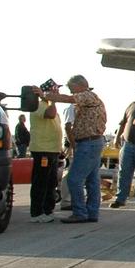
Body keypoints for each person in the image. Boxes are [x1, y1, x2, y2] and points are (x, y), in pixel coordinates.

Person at [36, 75, 107, 225]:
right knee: (92, 180)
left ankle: (80, 212)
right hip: (94, 142)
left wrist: (46, 95)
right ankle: (92, 212)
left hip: (88, 143)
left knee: (74, 179)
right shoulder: (92, 98)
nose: (71, 92)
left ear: (80, 85)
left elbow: (69, 99)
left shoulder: (86, 96)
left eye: (72, 88)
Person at [28, 95, 62, 222]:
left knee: (51, 181)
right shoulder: (37, 105)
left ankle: (48, 210)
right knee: (41, 181)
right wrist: (53, 101)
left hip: (52, 149)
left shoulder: (50, 105)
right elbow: (50, 115)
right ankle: (37, 212)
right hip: (42, 149)